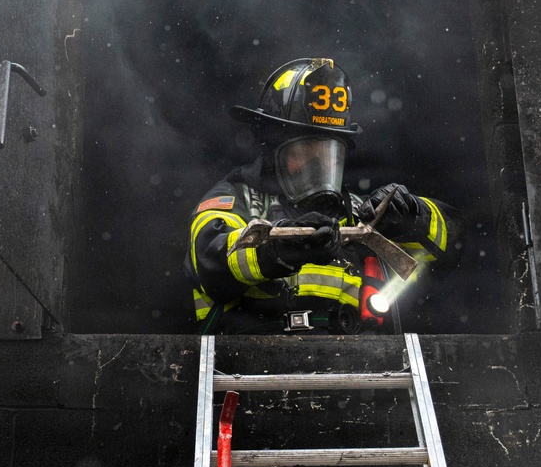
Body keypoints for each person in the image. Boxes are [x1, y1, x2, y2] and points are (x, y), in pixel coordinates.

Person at [184, 57, 462, 334]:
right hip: (245, 367)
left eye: (327, 153)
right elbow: (208, 259)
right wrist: (275, 250)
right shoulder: (236, 199)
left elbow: (456, 249)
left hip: (356, 370)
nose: (316, 166)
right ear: (272, 151)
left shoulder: (357, 214)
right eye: (303, 151)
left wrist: (413, 216)